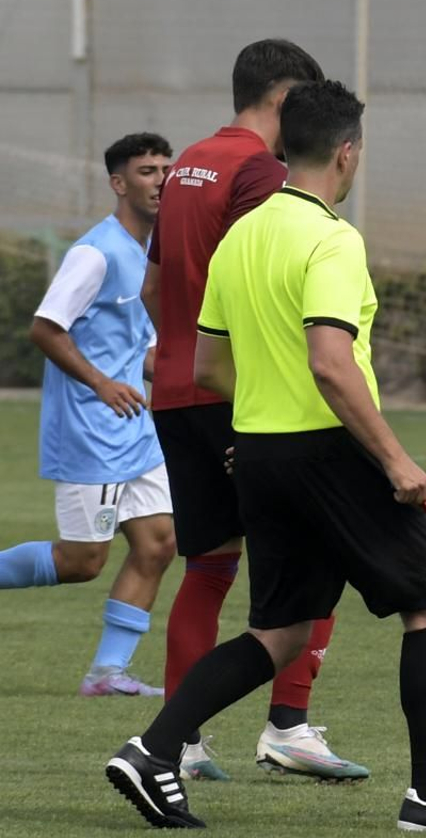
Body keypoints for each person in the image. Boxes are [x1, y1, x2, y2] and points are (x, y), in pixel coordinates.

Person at [105, 80, 426, 832]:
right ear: (347, 152)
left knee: (280, 631)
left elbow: (207, 368)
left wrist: (262, 421)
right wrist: (394, 459)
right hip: (331, 451)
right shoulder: (332, 238)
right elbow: (330, 362)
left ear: (287, 146)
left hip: (258, 453)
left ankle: (153, 750)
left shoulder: (241, 236)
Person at [142, 38, 366, 783]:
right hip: (241, 397)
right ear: (282, 99)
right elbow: (266, 281)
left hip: (177, 390)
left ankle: (181, 740)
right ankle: (288, 725)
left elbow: (154, 287)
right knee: (324, 546)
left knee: (206, 566)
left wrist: (179, 347)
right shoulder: (263, 173)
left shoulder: (187, 165)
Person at [0, 134, 176, 696]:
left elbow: (138, 351)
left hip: (135, 430)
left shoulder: (151, 254)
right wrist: (101, 383)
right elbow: (45, 329)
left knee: (159, 543)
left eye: (167, 169)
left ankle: (106, 675)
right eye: (147, 171)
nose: (161, 180)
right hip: (89, 431)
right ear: (119, 184)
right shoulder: (95, 252)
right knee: (82, 561)